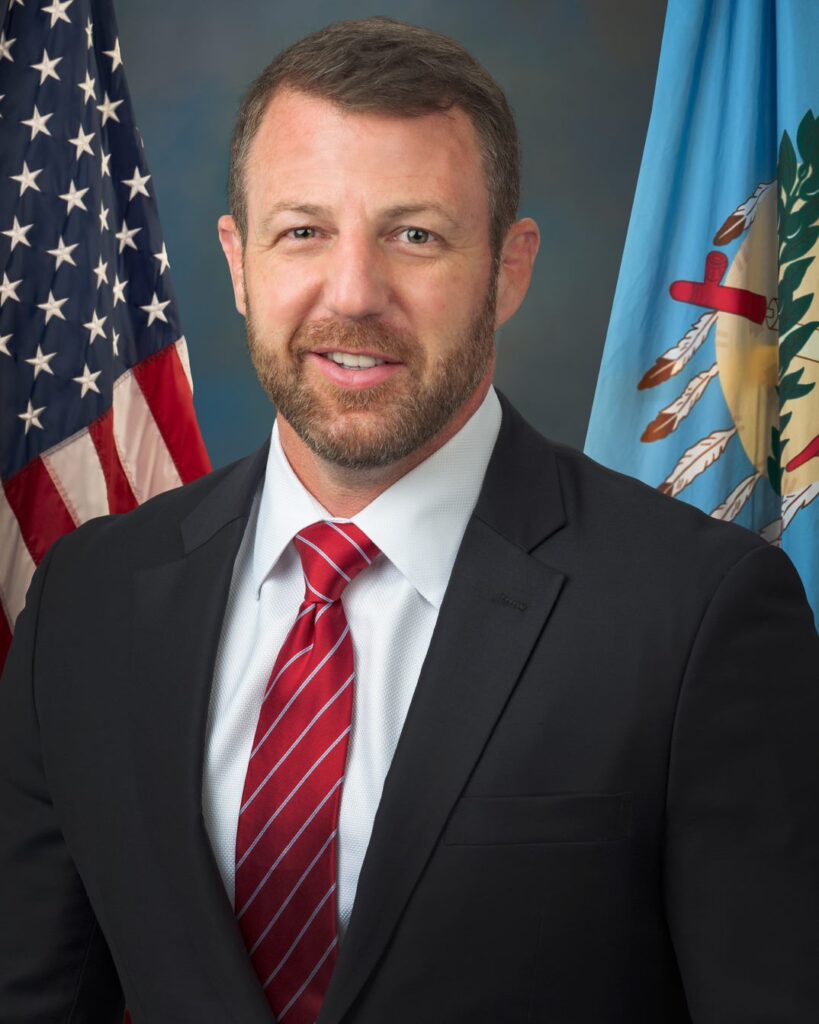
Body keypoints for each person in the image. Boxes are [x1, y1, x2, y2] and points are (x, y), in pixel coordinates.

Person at [1, 16, 817, 1024]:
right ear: (237, 260)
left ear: (509, 269)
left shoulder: (696, 614)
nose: (354, 293)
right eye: (303, 230)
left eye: (415, 235)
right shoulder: (87, 600)